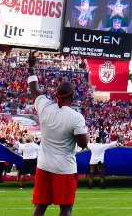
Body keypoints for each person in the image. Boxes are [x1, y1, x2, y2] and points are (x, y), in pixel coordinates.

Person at [27, 50, 89, 216]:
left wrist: (31, 68)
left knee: (40, 206)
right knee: (66, 208)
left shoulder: (45, 106)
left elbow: (34, 89)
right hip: (64, 167)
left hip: (44, 164)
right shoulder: (76, 117)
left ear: (57, 94)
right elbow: (83, 144)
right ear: (73, 96)